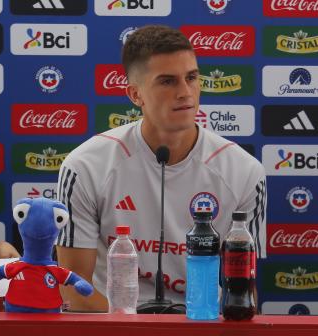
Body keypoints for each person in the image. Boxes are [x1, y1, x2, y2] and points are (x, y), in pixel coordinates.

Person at [57, 25, 266, 312]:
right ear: (134, 94)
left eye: (191, 78)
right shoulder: (85, 166)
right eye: (167, 82)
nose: (185, 93)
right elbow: (74, 291)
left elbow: (244, 294)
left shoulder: (244, 172)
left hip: (202, 329)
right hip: (111, 329)